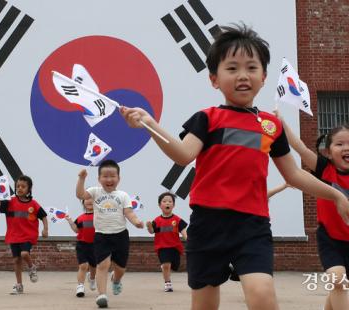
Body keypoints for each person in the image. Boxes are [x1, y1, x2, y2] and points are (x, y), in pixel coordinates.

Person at [120, 23, 349, 310]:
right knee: (204, 304)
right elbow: (182, 154)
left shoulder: (271, 126)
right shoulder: (207, 118)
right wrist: (149, 124)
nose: (243, 75)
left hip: (251, 226)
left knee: (263, 295)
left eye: (251, 68)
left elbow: (294, 174)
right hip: (207, 225)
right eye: (232, 68)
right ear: (214, 79)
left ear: (263, 77)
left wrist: (337, 195)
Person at [276, 112, 349, 310]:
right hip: (331, 239)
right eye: (340, 144)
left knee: (338, 286)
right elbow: (300, 148)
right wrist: (282, 123)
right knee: (338, 279)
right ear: (328, 151)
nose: (346, 148)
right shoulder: (325, 169)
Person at [76, 159, 144, 308]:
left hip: (120, 235)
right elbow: (80, 195)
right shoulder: (94, 192)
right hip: (101, 235)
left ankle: (117, 280)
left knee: (121, 268)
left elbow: (129, 212)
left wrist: (136, 222)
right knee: (102, 265)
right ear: (99, 179)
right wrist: (81, 178)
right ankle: (102, 295)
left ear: (118, 178)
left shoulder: (123, 195)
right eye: (105, 176)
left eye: (112, 176)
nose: (109, 179)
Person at [0, 175, 48, 295]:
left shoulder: (33, 204)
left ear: (29, 189)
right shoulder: (9, 201)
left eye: (23, 186)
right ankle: (19, 285)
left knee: (24, 254)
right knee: (16, 260)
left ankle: (31, 267)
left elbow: (43, 216)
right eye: (18, 186)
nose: (20, 188)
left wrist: (45, 229)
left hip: (28, 235)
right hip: (14, 236)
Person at [146, 192, 187, 292]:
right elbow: (152, 231)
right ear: (160, 205)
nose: (167, 203)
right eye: (164, 201)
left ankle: (165, 268)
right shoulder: (157, 220)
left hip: (175, 247)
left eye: (170, 201)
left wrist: (187, 237)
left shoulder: (177, 219)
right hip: (162, 247)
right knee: (166, 265)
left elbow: (184, 231)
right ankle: (167, 283)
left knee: (175, 267)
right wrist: (149, 226)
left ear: (173, 205)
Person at [66, 197, 97, 297]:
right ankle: (80, 286)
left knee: (94, 266)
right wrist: (70, 221)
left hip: (96, 245)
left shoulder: (100, 217)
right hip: (82, 245)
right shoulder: (80, 218)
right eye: (86, 199)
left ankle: (92, 278)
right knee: (83, 266)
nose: (89, 201)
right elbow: (76, 230)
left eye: (92, 198)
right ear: (83, 202)